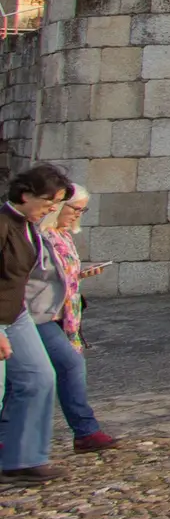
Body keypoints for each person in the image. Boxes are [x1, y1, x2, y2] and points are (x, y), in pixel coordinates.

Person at [1, 164, 75, 483]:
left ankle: (24, 458)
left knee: (39, 377)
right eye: (47, 203)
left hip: (15, 313)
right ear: (25, 194)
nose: (50, 210)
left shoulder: (29, 226)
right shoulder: (3, 224)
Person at [36, 186, 116, 452]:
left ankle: (84, 432)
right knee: (66, 366)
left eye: (83, 210)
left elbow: (59, 274)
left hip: (63, 313)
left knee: (60, 370)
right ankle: (85, 431)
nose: (78, 215)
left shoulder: (63, 237)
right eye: (75, 209)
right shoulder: (38, 236)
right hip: (38, 314)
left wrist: (79, 274)